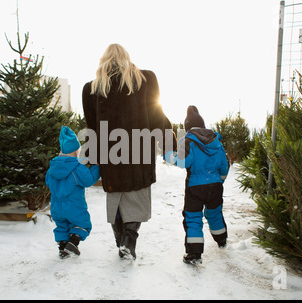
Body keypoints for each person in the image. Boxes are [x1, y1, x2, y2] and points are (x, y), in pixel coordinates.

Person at [82, 43, 176, 260]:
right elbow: (157, 115)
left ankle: (120, 240)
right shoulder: (146, 79)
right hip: (139, 150)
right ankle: (129, 240)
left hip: (110, 152)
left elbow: (92, 126)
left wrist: (92, 158)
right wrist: (168, 145)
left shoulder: (92, 88)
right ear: (127, 57)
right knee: (138, 196)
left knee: (116, 197)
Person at [164, 105, 229, 264]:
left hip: (195, 187)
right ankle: (222, 240)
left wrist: (168, 156)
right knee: (214, 213)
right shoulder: (216, 142)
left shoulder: (189, 141)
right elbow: (224, 166)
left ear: (187, 127)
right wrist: (219, 180)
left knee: (193, 218)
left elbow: (183, 161)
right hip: (215, 186)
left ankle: (194, 254)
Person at [45, 126, 100, 259]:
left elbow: (48, 182)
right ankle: (73, 242)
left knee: (62, 226)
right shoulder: (77, 167)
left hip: (56, 207)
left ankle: (62, 248)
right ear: (76, 152)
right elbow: (89, 180)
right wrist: (96, 167)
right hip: (74, 206)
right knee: (82, 224)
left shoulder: (52, 168)